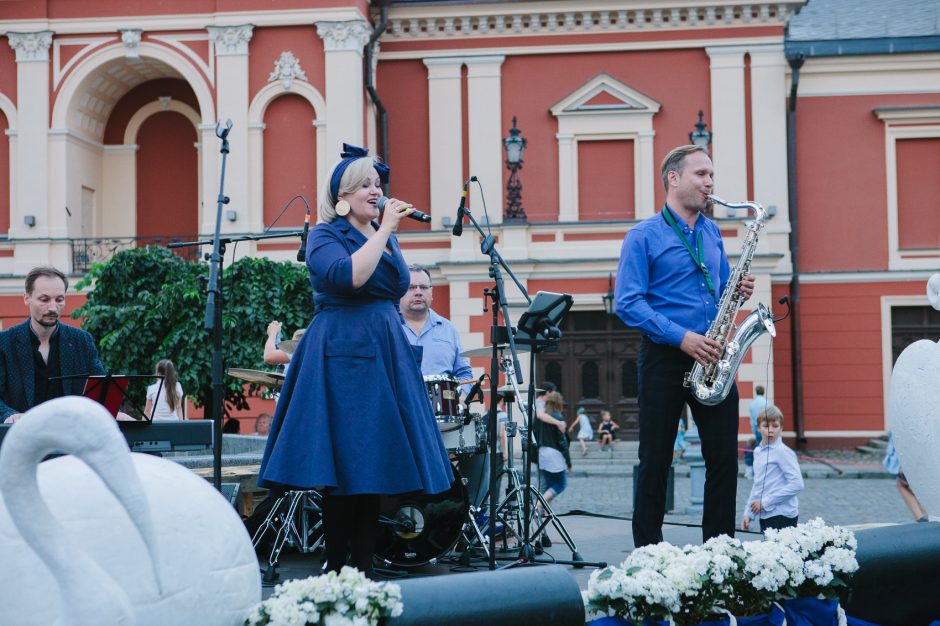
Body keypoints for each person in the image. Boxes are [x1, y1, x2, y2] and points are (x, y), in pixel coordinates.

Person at [258, 144, 452, 575]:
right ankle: (335, 567)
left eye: (378, 184)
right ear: (342, 194)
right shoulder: (326, 235)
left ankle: (363, 569)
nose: (375, 191)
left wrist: (385, 232)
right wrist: (384, 230)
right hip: (341, 351)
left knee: (373, 466)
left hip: (383, 347)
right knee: (343, 467)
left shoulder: (387, 236)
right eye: (365, 184)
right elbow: (349, 276)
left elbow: (395, 287)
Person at [616, 144, 756, 546]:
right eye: (701, 174)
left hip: (714, 356)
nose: (710, 182)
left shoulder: (712, 232)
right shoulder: (642, 236)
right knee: (656, 460)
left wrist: (739, 290)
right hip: (665, 357)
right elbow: (627, 302)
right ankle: (649, 552)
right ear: (673, 179)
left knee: (724, 460)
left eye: (711, 174)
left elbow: (721, 289)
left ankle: (720, 548)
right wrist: (682, 337)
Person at [0, 266, 107, 423]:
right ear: (26, 298)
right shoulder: (4, 342)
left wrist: (113, 411)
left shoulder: (82, 340)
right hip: (23, 437)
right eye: (44, 300)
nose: (52, 308)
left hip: (72, 438)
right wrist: (9, 414)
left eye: (59, 299)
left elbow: (102, 390)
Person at [741, 405, 804, 532]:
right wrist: (748, 513)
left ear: (781, 428)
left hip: (783, 515)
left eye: (775, 426)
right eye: (766, 426)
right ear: (758, 428)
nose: (770, 430)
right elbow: (758, 485)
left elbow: (797, 484)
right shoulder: (758, 452)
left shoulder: (783, 452)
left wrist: (765, 503)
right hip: (765, 515)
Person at [535, 390, 572, 511]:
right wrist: (568, 461)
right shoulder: (558, 417)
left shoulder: (543, 417)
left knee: (549, 485)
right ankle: (538, 505)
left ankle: (547, 513)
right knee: (560, 484)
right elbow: (562, 442)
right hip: (554, 454)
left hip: (542, 452)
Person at [883, 432, 928, 522]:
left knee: (902, 484)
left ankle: (921, 517)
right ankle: (922, 515)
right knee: (907, 485)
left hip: (909, 457)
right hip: (918, 455)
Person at [744, 385, 768, 479]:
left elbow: (751, 418)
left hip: (756, 427)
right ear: (763, 392)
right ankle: (761, 471)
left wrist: (753, 428)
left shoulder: (753, 403)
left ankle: (755, 470)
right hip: (764, 428)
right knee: (764, 449)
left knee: (758, 449)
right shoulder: (766, 402)